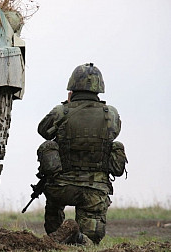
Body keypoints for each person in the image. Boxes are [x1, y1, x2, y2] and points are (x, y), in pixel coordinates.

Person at [37, 63, 127, 244]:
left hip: (61, 188)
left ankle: (59, 233)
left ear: (72, 88)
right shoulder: (111, 115)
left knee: (55, 231)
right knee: (89, 242)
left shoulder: (61, 111)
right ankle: (77, 237)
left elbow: (43, 131)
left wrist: (68, 106)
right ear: (99, 88)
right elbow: (114, 134)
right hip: (94, 191)